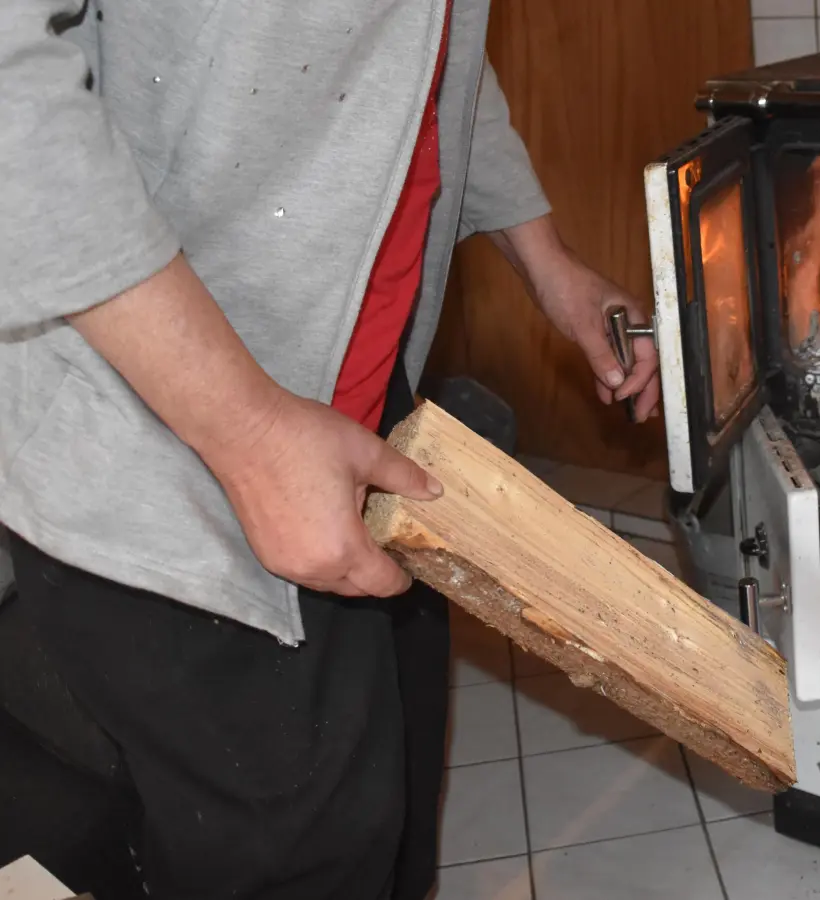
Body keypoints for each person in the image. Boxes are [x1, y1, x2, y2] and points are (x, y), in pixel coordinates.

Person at [0, 0, 661, 898]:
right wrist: (248, 431)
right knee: (299, 855)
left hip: (352, 411)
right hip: (166, 440)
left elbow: (427, 49)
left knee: (386, 831)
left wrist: (548, 262)